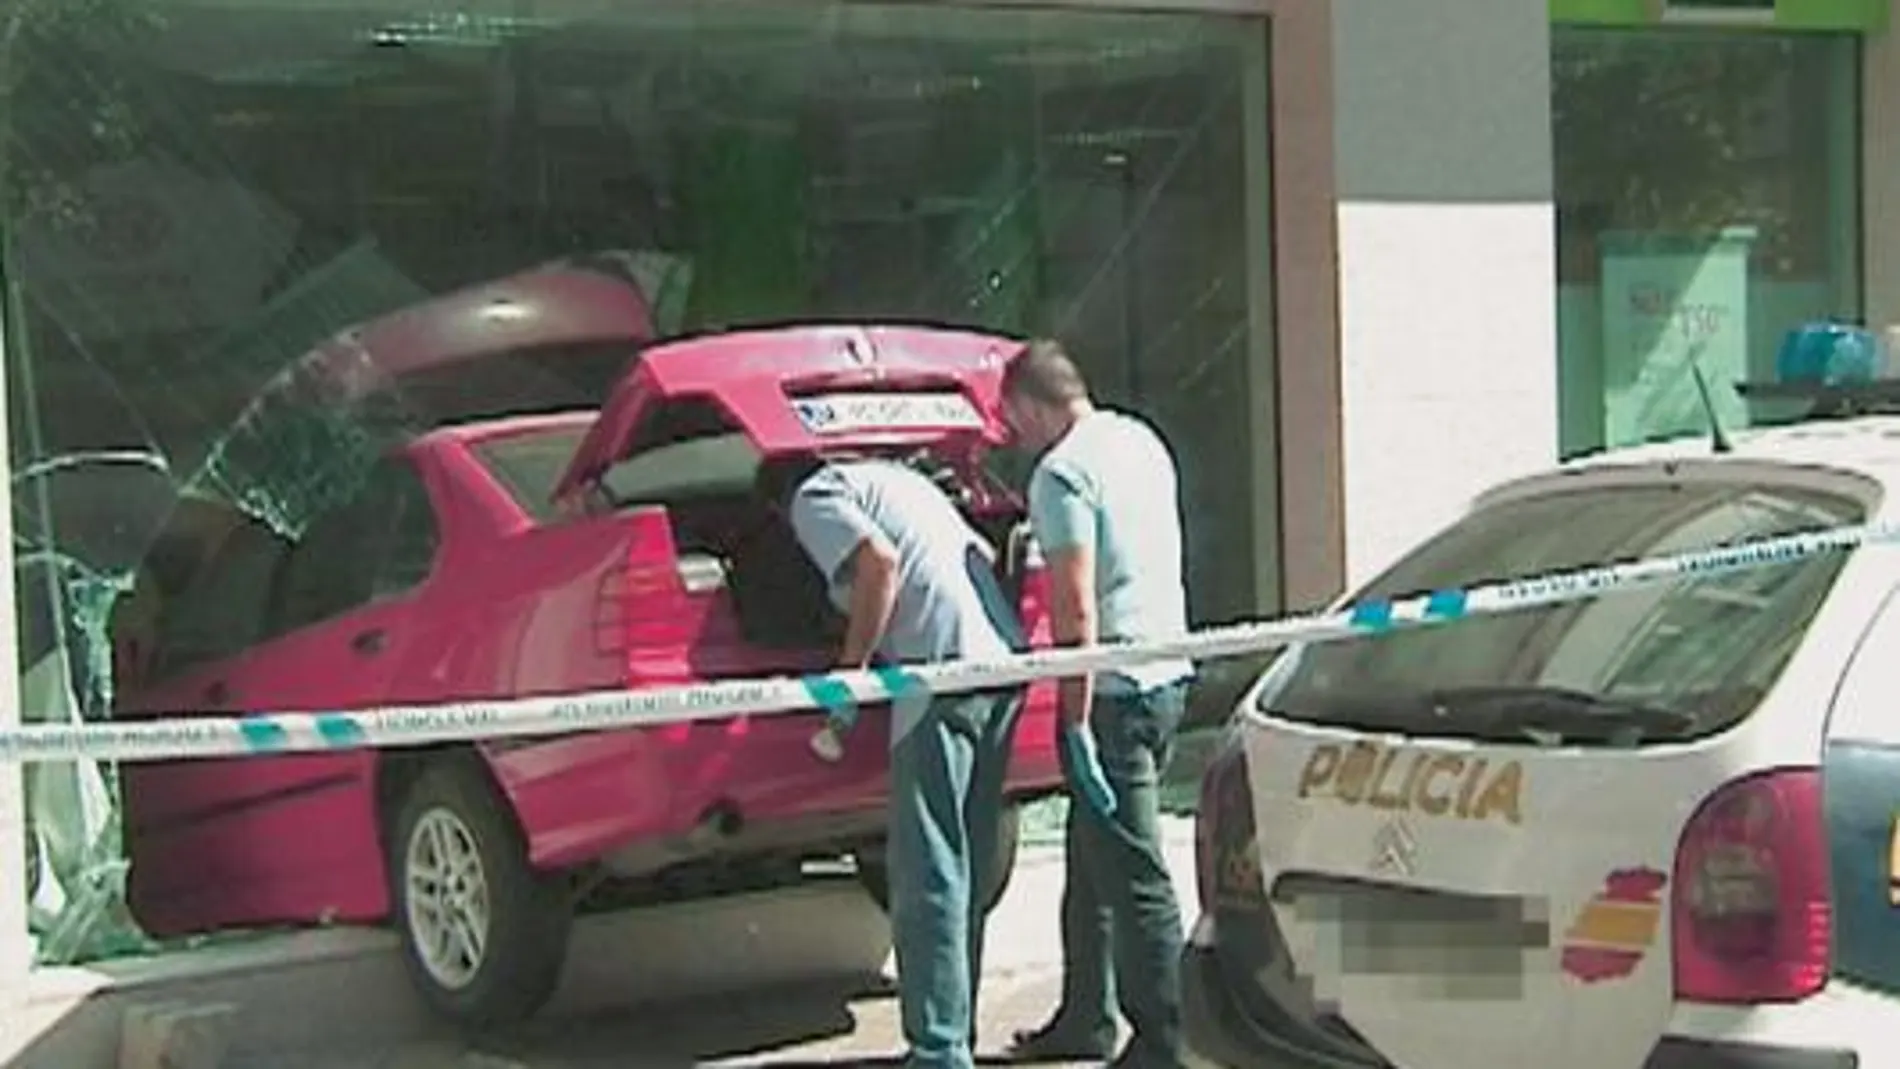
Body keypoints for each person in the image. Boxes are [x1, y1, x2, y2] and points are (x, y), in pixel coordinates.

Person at [755, 450, 1027, 1069]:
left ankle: (937, 1048)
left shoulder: (813, 499)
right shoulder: (900, 481)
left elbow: (879, 563)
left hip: (940, 675)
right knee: (969, 862)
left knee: (929, 867)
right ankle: (956, 1031)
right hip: (1005, 665)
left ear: (777, 506)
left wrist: (847, 680)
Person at [998, 340, 1195, 1069]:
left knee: (1136, 873)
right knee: (1093, 862)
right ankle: (1086, 1016)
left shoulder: (1062, 473)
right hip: (1168, 673)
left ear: (1028, 404)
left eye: (1010, 418)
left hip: (1114, 694)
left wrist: (1071, 715)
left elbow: (1075, 606)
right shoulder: (1139, 440)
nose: (1010, 434)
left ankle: (1167, 1039)